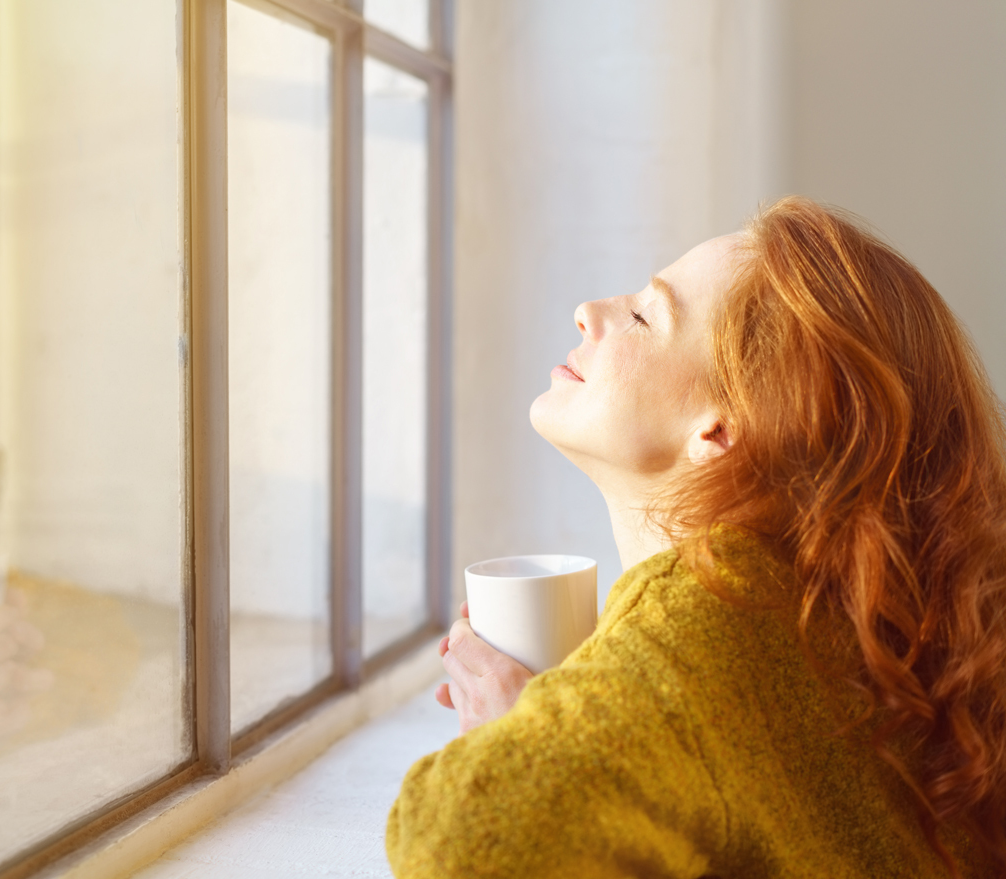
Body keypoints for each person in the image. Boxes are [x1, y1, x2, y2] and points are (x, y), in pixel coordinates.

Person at [386, 197, 1006, 878]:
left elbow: (460, 842)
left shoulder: (708, 619)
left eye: (645, 315)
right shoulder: (828, 613)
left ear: (719, 428)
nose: (590, 311)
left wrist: (511, 743)